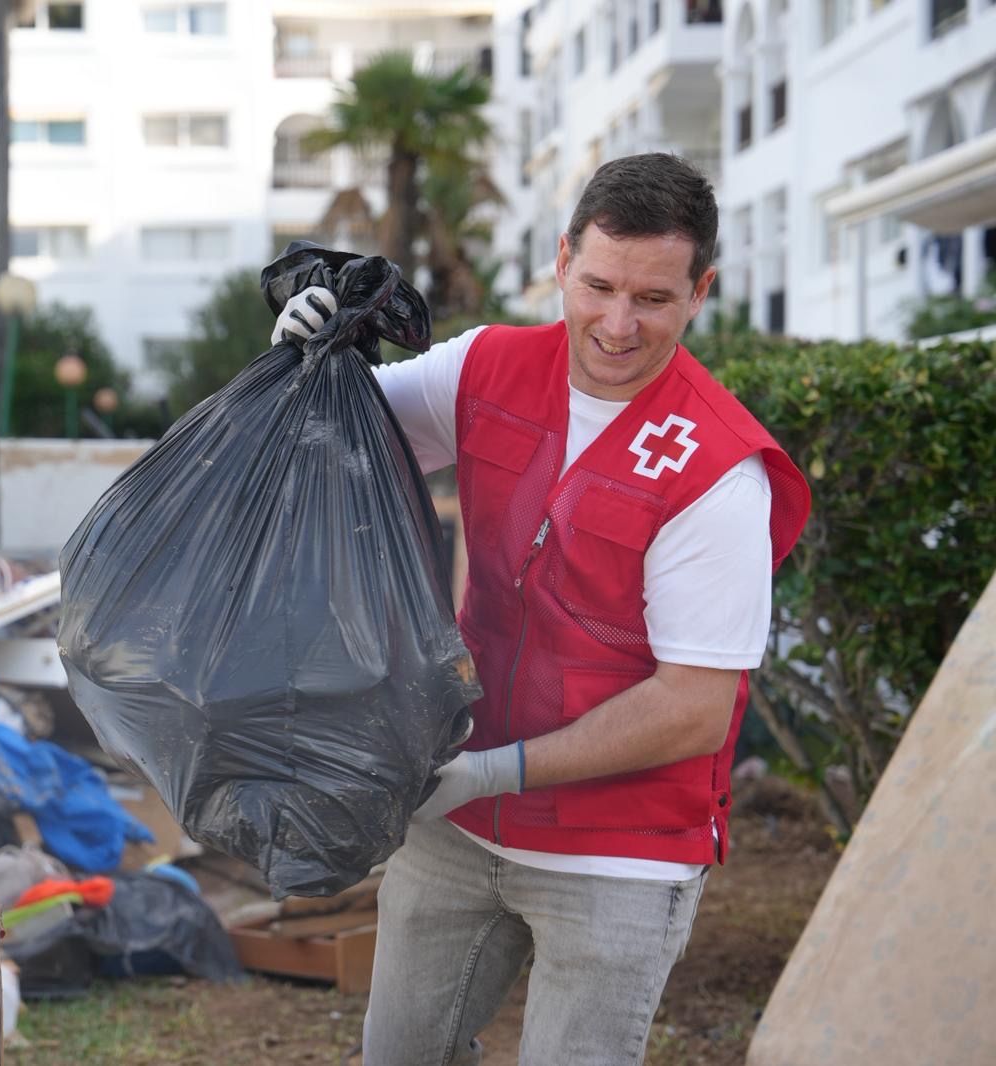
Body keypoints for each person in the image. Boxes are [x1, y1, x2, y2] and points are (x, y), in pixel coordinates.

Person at [271, 153, 810, 1066]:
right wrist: (300, 360)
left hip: (620, 848)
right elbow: (334, 433)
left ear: (700, 290)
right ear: (562, 261)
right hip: (462, 813)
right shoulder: (488, 366)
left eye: (652, 298)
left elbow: (693, 707)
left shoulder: (719, 472)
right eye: (597, 285)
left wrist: (493, 771)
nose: (615, 322)